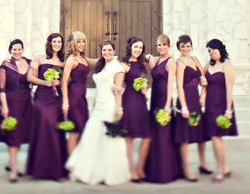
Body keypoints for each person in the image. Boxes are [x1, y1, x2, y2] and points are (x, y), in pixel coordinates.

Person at [65, 41, 131, 185]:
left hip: (110, 104)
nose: (106, 53)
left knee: (107, 137)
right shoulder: (101, 64)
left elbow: (118, 90)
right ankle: (90, 168)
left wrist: (119, 108)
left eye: (109, 50)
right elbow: (83, 59)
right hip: (98, 104)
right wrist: (75, 50)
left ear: (114, 51)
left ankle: (107, 171)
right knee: (92, 134)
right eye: (104, 50)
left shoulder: (117, 67)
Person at [25, 33, 68, 181]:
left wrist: (65, 101)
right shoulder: (40, 58)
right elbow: (30, 77)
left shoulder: (63, 62)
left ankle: (57, 171)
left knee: (55, 130)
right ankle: (39, 168)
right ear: (49, 43)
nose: (57, 44)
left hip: (56, 98)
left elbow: (64, 81)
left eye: (59, 42)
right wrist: (46, 83)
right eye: (54, 41)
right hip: (42, 97)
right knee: (45, 127)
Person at [143, 34, 182, 183]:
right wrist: (148, 55)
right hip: (154, 98)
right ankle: (153, 168)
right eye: (159, 45)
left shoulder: (171, 61)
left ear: (169, 46)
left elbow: (170, 83)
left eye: (164, 45)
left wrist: (168, 104)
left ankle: (166, 171)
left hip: (164, 99)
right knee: (155, 132)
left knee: (163, 134)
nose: (161, 48)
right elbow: (144, 60)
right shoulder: (157, 59)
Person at [0, 39, 32, 183]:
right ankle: (14, 169)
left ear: (23, 49)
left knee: (20, 134)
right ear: (10, 50)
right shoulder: (4, 66)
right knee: (14, 135)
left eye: (19, 49)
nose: (17, 52)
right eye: (14, 49)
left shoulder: (29, 63)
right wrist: (4, 107)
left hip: (26, 103)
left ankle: (10, 163)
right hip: (10, 102)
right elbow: (2, 89)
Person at [173, 35, 208, 181]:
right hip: (185, 98)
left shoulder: (195, 60)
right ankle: (186, 168)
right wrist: (184, 107)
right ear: (179, 48)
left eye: (188, 46)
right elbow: (179, 85)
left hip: (196, 97)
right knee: (185, 135)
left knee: (201, 135)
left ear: (191, 46)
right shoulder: (179, 62)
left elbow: (204, 78)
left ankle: (203, 164)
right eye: (183, 47)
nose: (186, 49)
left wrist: (203, 96)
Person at [202, 39, 237, 184]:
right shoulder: (208, 65)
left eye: (213, 50)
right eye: (209, 51)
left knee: (216, 137)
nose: (211, 53)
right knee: (217, 138)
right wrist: (202, 95)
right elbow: (203, 81)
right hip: (210, 103)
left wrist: (229, 110)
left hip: (221, 103)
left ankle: (219, 169)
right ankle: (226, 167)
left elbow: (229, 89)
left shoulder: (227, 65)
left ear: (220, 49)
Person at [120, 36, 152, 182]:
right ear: (130, 48)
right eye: (136, 47)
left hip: (141, 101)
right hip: (129, 100)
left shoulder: (141, 65)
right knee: (129, 137)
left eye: (140, 48)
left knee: (147, 136)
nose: (138, 50)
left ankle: (140, 167)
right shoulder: (124, 64)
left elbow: (146, 82)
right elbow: (118, 85)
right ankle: (131, 169)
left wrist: (145, 87)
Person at [60, 31, 97, 156]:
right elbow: (64, 82)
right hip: (74, 95)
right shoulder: (71, 59)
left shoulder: (82, 58)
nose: (81, 44)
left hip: (82, 96)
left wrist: (111, 57)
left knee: (83, 127)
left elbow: (97, 62)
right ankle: (71, 160)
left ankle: (76, 157)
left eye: (83, 41)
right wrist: (65, 102)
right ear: (73, 44)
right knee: (74, 128)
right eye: (79, 42)